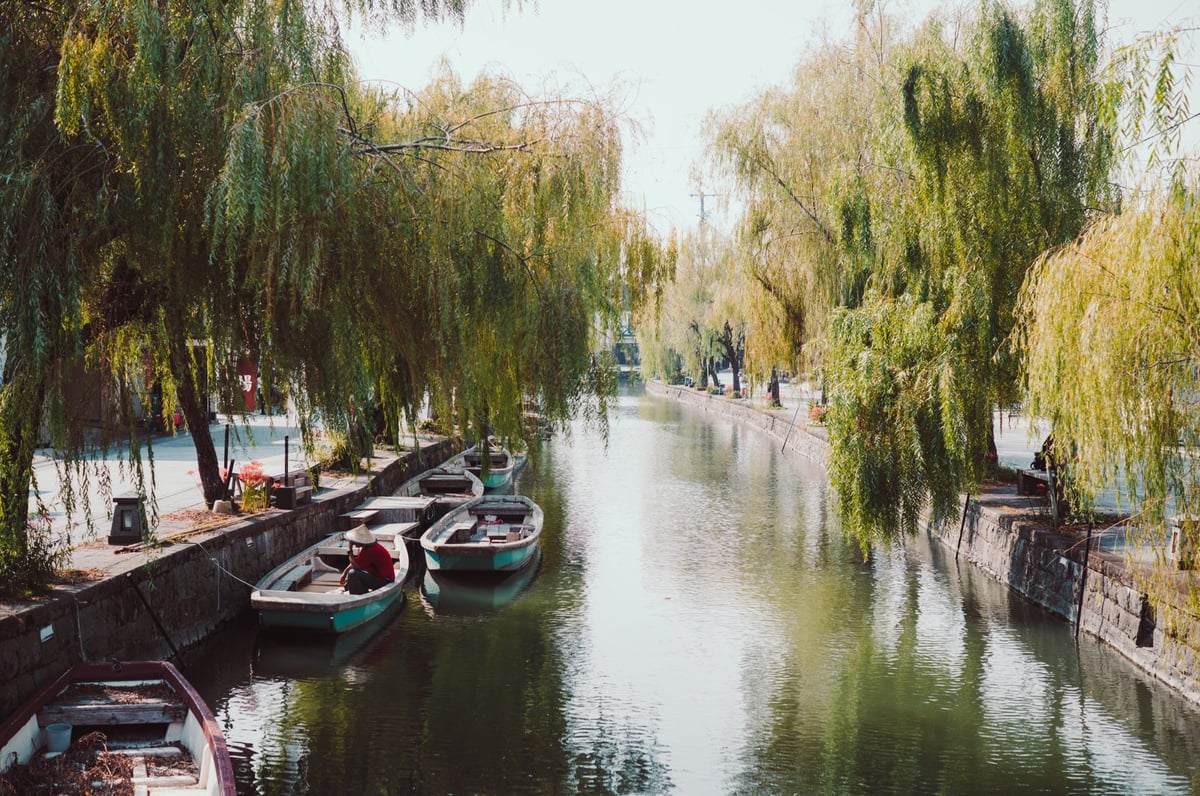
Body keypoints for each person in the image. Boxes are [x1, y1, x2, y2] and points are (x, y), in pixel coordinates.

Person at [340, 524, 395, 594]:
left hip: (385, 581)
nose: (355, 544)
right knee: (354, 574)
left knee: (353, 574)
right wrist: (344, 573)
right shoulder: (367, 548)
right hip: (379, 576)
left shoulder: (370, 549)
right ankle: (360, 590)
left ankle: (357, 597)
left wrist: (349, 550)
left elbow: (355, 565)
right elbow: (357, 562)